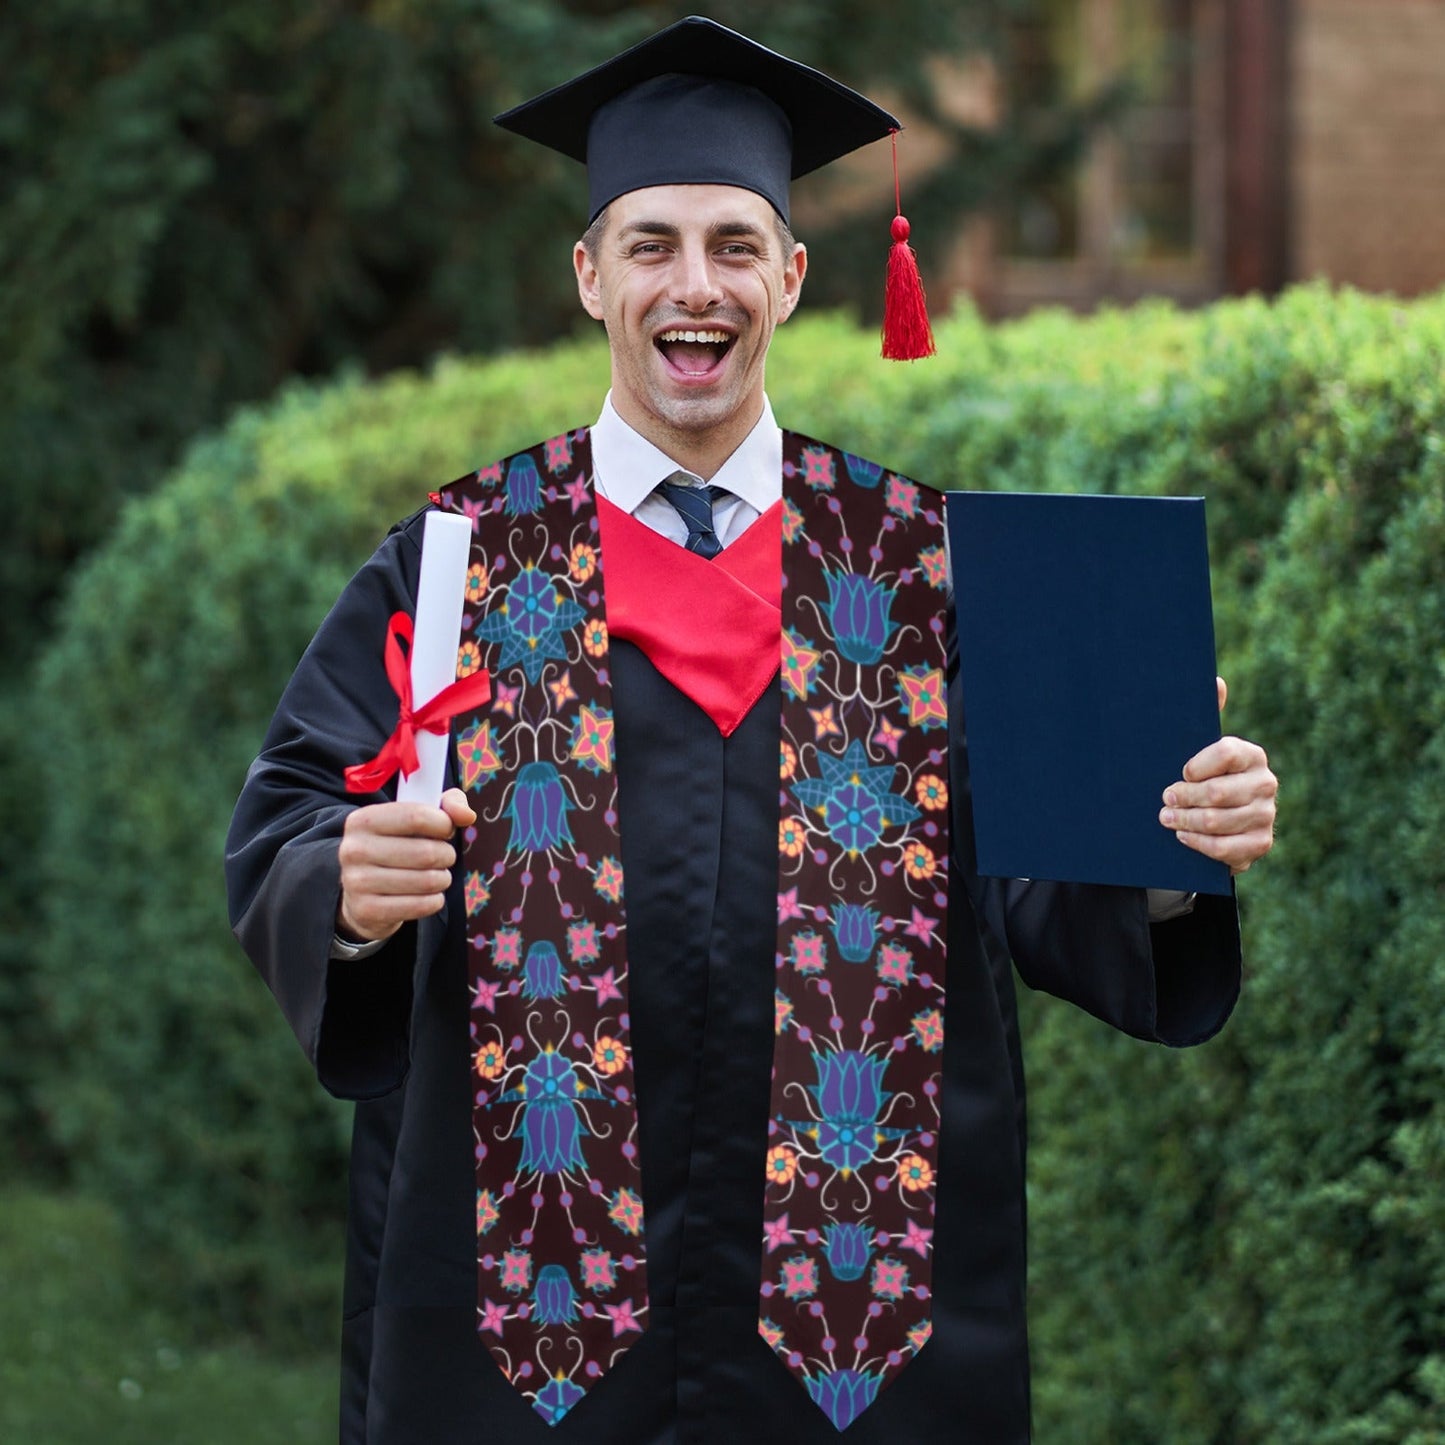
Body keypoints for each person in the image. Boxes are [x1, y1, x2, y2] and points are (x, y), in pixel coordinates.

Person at [225, 17, 1277, 1445]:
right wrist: (345, 887)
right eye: (650, 245)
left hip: (861, 1325)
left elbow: (1042, 884)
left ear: (789, 276)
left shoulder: (920, 566)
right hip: (525, 1324)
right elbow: (292, 818)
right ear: (588, 275)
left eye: (734, 245)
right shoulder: (465, 560)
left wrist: (1168, 847)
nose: (694, 286)